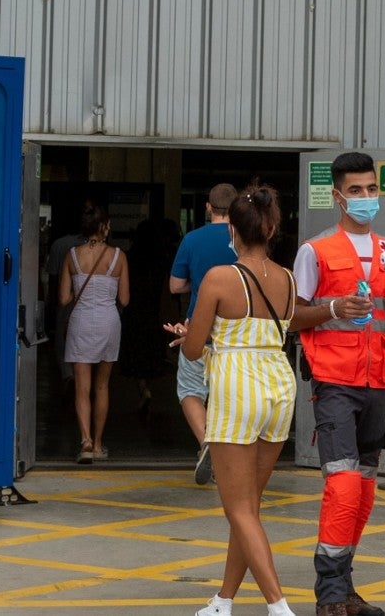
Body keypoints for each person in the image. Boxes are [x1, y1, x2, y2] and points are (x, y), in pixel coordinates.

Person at [290, 151, 385, 616]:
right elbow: (291, 317)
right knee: (344, 486)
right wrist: (332, 310)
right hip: (334, 382)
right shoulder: (316, 250)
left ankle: (345, 588)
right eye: (357, 190)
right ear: (337, 196)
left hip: (376, 383)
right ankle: (329, 594)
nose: (367, 198)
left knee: (364, 492)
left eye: (372, 189)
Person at [166, 185, 299, 616]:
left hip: (238, 389)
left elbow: (193, 349)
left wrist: (192, 338)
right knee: (249, 508)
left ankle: (279, 607)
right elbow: (269, 332)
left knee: (238, 509)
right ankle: (223, 600)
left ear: (234, 234)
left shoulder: (221, 277)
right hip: (279, 387)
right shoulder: (287, 278)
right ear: (272, 228)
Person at [171, 183, 239, 484]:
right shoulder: (244, 239)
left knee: (190, 390)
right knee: (228, 393)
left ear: (208, 208)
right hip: (238, 328)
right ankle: (228, 453)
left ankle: (206, 440)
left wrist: (200, 285)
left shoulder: (192, 238)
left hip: (200, 325)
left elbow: (175, 286)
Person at [60, 203, 129, 464]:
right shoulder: (118, 256)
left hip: (81, 322)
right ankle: (99, 444)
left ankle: (85, 441)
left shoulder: (72, 256)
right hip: (108, 322)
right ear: (103, 227)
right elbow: (125, 298)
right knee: (102, 385)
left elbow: (64, 298)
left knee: (82, 386)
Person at [120, 218, 172, 416]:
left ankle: (142, 388)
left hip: (133, 311)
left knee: (136, 355)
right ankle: (146, 387)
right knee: (150, 354)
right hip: (154, 313)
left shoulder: (129, 257)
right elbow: (167, 291)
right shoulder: (161, 260)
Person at [46, 203, 90, 390]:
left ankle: (68, 375)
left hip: (66, 301)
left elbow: (54, 278)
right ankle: (83, 379)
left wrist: (50, 305)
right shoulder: (100, 249)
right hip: (91, 303)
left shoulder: (60, 245)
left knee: (63, 341)